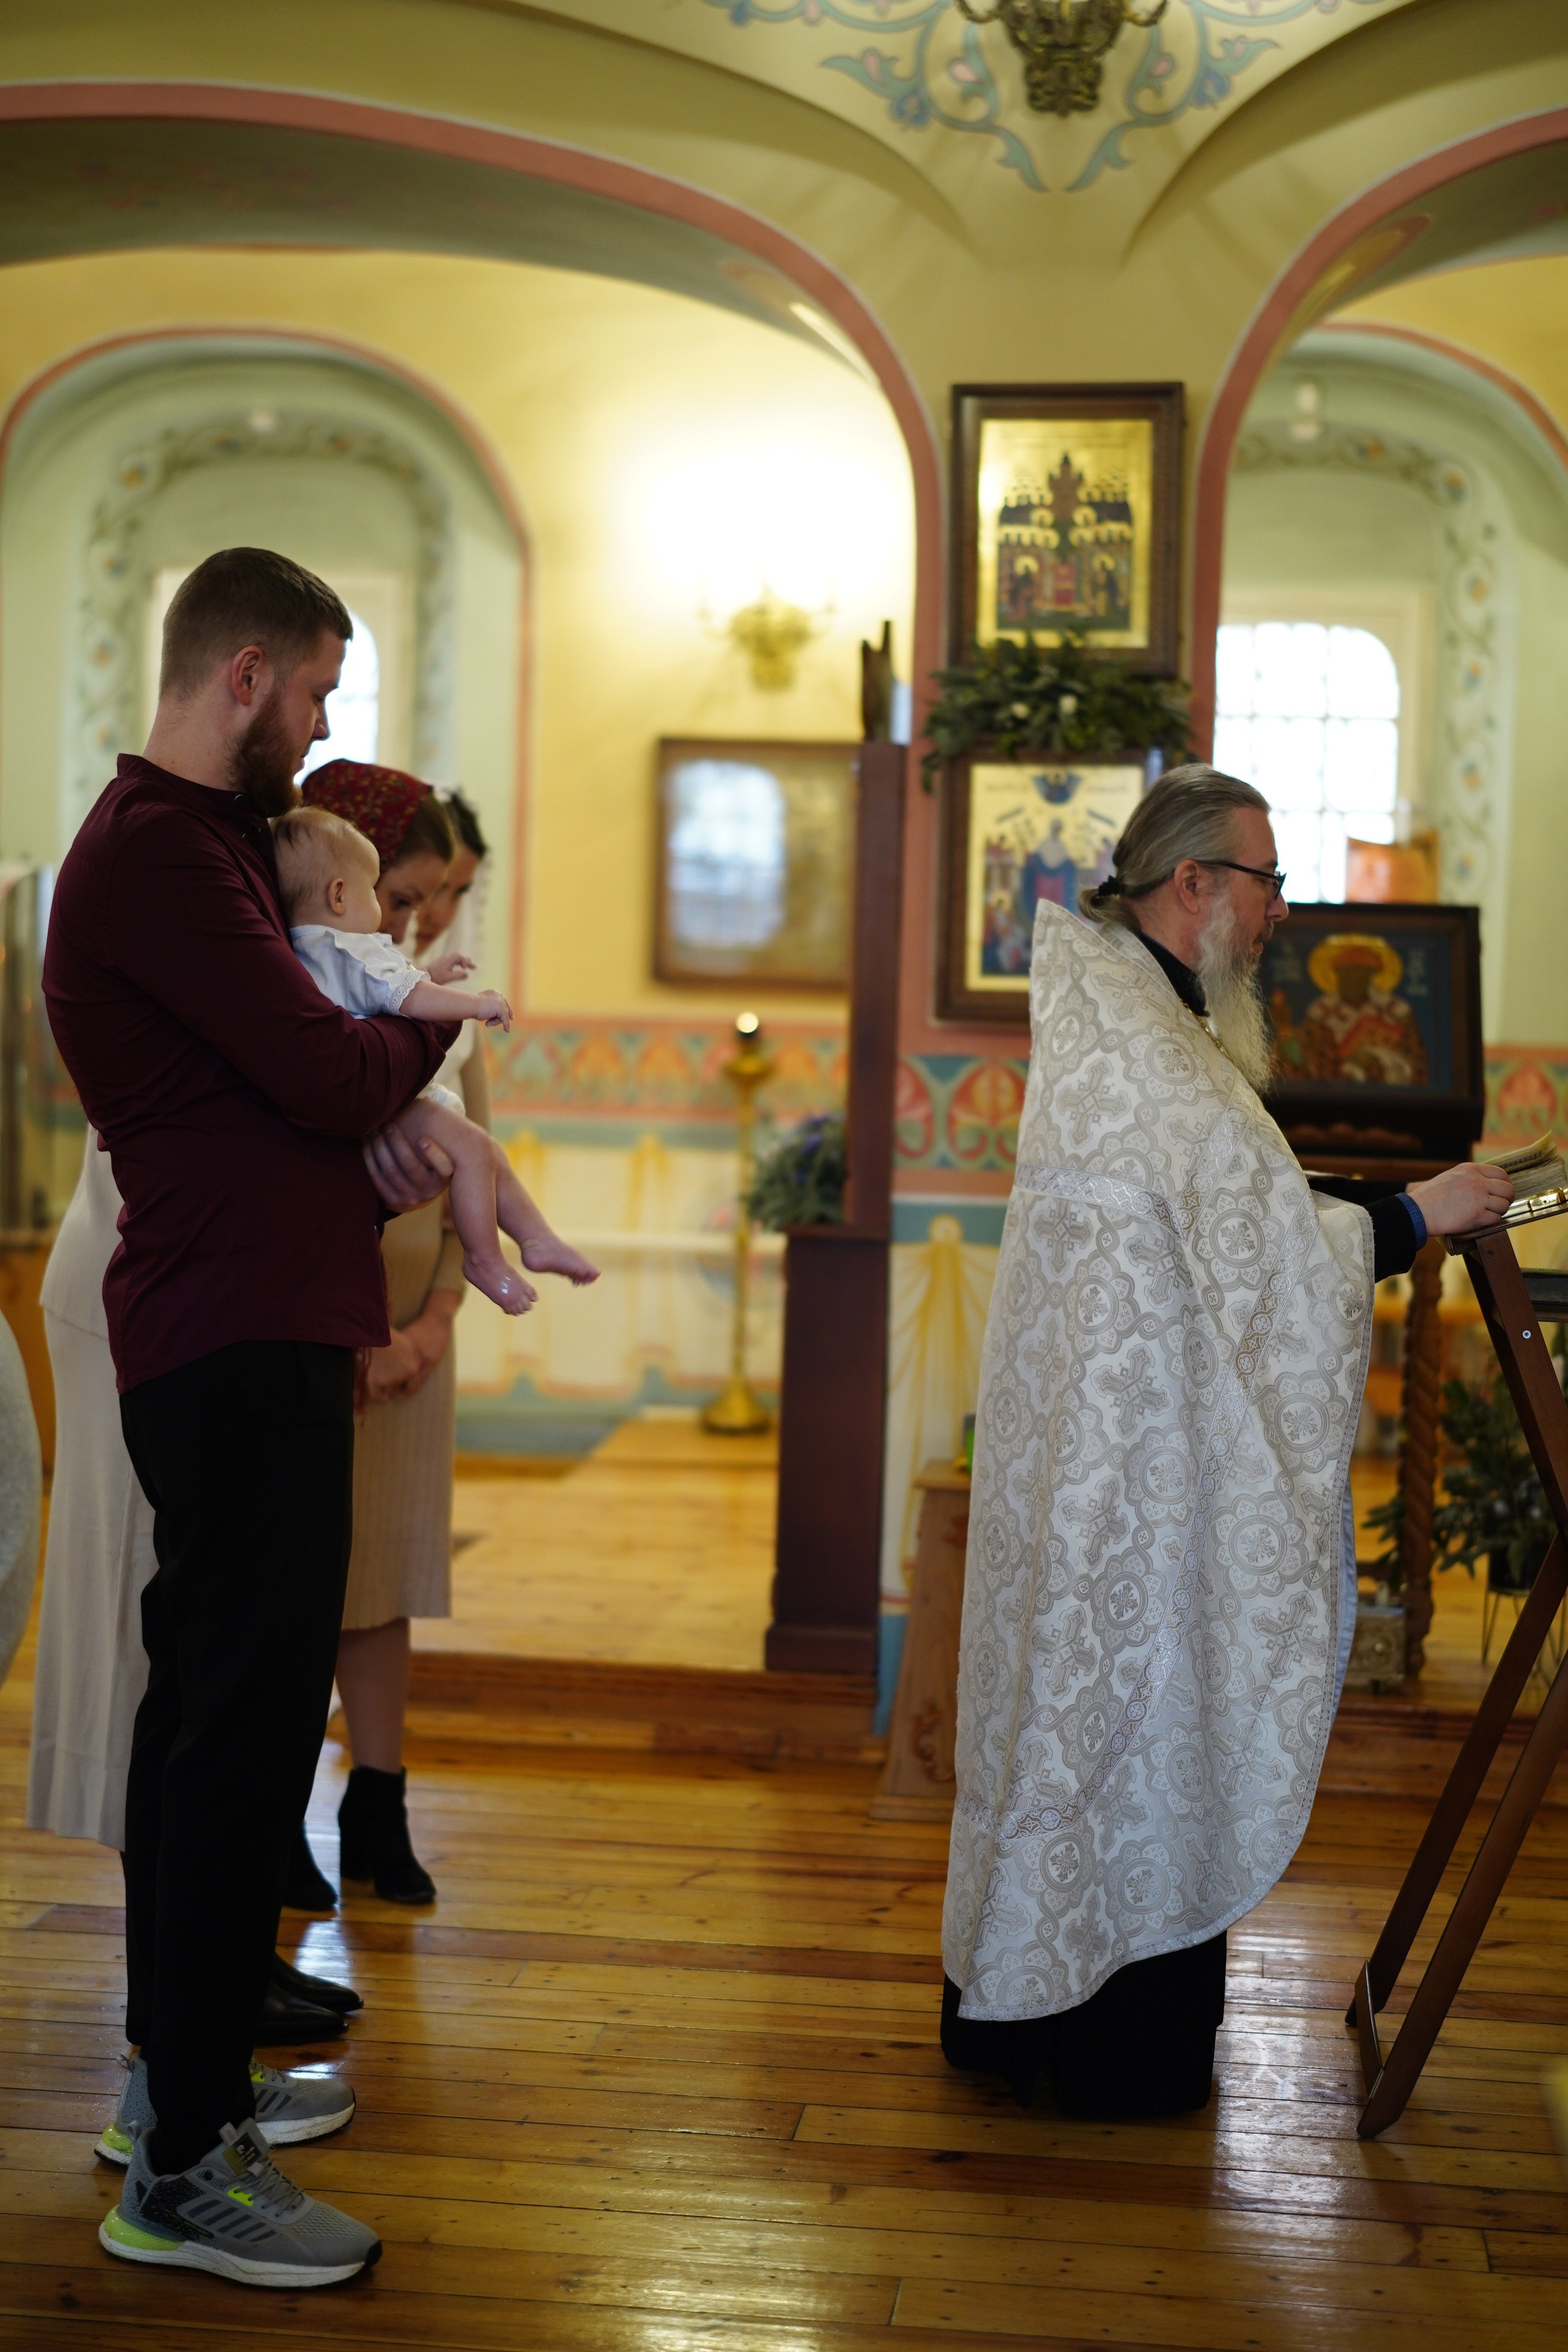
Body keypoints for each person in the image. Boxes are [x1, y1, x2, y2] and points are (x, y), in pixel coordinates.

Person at [940, 766, 1512, 2120]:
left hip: (1105, 1464)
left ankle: (1017, 2015)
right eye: (1267, 881)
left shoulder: (1126, 1011)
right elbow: (1261, 1245)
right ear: (1191, 882)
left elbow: (1235, 1203)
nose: (1279, 912)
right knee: (1124, 1719)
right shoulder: (1145, 1038)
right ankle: (1096, 2051)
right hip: (1122, 1484)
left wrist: (1385, 1202)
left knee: (1073, 1719)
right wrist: (1416, 1217)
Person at [43, 546, 461, 2288]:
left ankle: (180, 2083)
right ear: (244, 675)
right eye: (315, 690)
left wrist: (372, 1038)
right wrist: (429, 1019)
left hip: (258, 1320)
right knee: (231, 1731)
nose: (322, 722)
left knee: (226, 1722)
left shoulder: (212, 844)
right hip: (228, 1333)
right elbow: (325, 1071)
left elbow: (310, 1061)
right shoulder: (158, 851)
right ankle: (185, 2162)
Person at [27, 1126, 366, 2043]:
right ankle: (178, 2006)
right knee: (167, 1658)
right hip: (152, 1290)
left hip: (207, 1285)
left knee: (214, 1654)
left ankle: (220, 1968)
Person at [273, 803, 597, 1311]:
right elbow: (404, 996)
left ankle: (535, 1239)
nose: (398, 923)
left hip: (348, 1118)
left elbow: (381, 990)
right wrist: (475, 1004)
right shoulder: (350, 946)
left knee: (482, 1152)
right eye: (376, 893)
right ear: (339, 895)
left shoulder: (299, 951)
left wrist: (430, 975)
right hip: (383, 1104)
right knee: (478, 1150)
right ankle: (487, 1259)